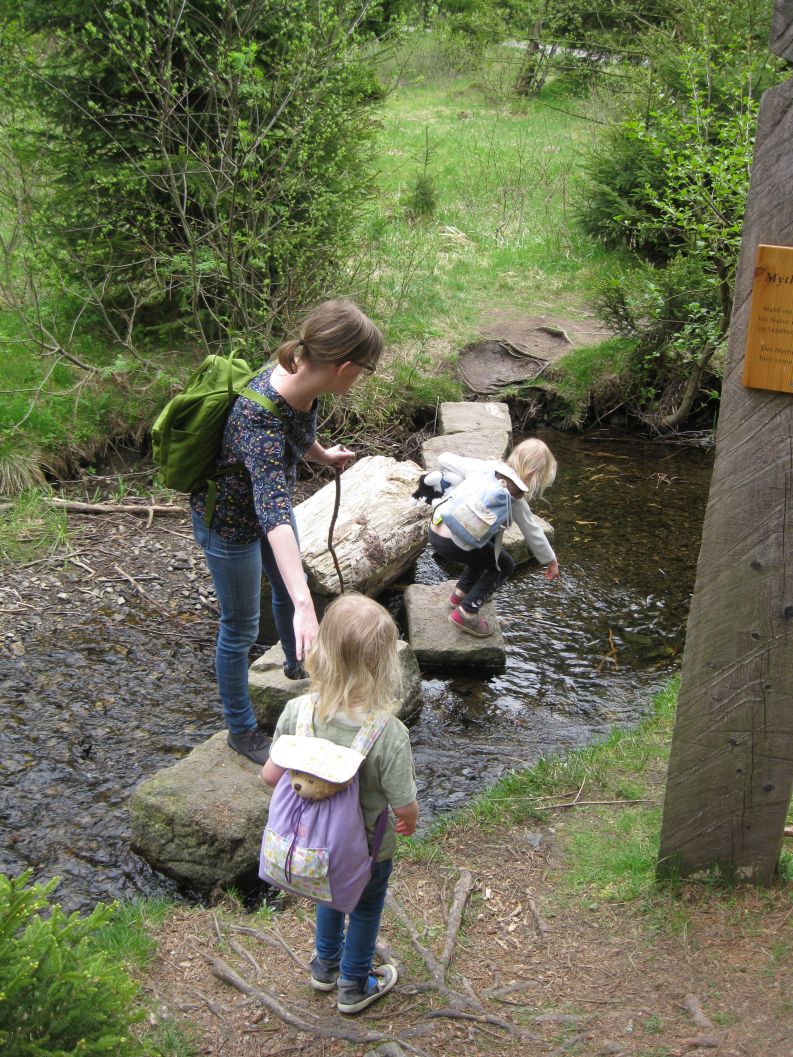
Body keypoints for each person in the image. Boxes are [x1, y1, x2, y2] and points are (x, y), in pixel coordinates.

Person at [191, 300, 384, 764]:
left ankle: (296, 663)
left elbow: (295, 428)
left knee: (284, 584)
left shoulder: (304, 376)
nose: (362, 378)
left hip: (268, 506)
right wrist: (305, 606)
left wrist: (323, 455)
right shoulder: (256, 417)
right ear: (343, 367)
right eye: (364, 369)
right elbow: (273, 513)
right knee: (239, 627)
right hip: (230, 524)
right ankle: (241, 730)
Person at [262, 593, 419, 1015]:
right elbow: (403, 804)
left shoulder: (297, 712)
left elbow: (270, 776)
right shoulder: (388, 734)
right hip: (366, 851)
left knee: (327, 895)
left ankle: (325, 966)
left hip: (313, 845)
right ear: (385, 667)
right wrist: (409, 821)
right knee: (364, 908)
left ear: (321, 653)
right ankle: (354, 983)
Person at [424, 438, 560, 637]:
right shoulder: (515, 498)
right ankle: (467, 612)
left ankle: (459, 594)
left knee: (486, 548)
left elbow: (444, 459)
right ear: (533, 474)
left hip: (435, 530)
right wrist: (551, 560)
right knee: (503, 565)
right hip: (455, 544)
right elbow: (533, 532)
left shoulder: (484, 467)